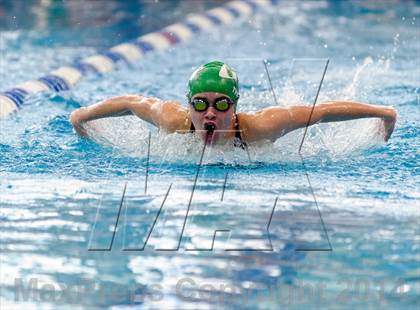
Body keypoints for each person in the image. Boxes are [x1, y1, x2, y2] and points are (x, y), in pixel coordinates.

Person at [70, 61, 397, 148]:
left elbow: (320, 111)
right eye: (200, 104)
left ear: (235, 106)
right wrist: (81, 116)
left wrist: (383, 113)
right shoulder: (174, 121)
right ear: (189, 104)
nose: (210, 113)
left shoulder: (260, 127)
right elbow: (131, 102)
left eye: (221, 103)